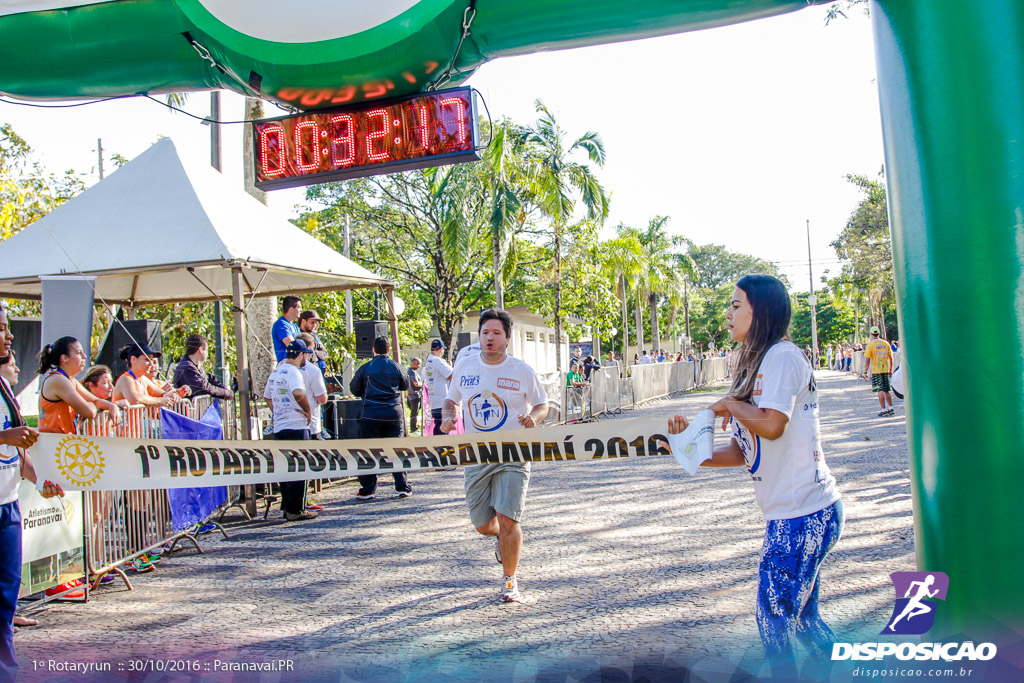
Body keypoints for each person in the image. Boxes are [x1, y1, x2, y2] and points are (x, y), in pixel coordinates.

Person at [664, 274, 843, 675]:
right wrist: (690, 451)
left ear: (759, 311)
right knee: (803, 622)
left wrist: (729, 404)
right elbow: (746, 451)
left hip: (804, 513)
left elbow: (773, 423)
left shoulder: (781, 357)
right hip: (791, 513)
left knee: (773, 619)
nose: (728, 313)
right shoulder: (752, 362)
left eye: (736, 305)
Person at [440, 309, 548, 603]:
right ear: (480, 336)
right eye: (486, 332)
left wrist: (534, 418)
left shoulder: (521, 370)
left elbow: (542, 404)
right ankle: (500, 538)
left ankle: (510, 581)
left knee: (509, 519)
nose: (490, 337)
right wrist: (448, 417)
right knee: (484, 524)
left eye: (496, 333)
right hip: (477, 455)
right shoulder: (465, 366)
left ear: (507, 339)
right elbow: (452, 400)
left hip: (514, 452)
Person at [1, 304, 64, 682]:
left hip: (7, 504)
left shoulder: (4, 384)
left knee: (7, 591)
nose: (9, 336)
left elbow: (18, 448)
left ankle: (6, 664)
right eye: (3, 329)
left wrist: (39, 480)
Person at [349, 336, 412, 500]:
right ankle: (402, 486)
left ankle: (368, 489)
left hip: (370, 412)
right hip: (392, 412)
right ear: (389, 350)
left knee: (368, 451)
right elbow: (405, 385)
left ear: (373, 350)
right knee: (396, 450)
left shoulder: (365, 367)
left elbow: (354, 388)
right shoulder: (397, 366)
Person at [263, 339, 316, 521]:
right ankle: (296, 509)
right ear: (300, 354)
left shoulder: (276, 371)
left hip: (280, 426)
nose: (306, 360)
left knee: (286, 466)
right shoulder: (294, 372)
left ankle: (286, 505)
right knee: (300, 466)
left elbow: (267, 397)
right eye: (306, 356)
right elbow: (298, 393)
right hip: (296, 425)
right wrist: (307, 411)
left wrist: (278, 411)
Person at [38, 337, 124, 433]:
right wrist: (91, 404)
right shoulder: (58, 380)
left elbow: (96, 400)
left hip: (62, 441)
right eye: (79, 353)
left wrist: (112, 406)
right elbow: (89, 412)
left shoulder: (71, 380)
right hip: (53, 442)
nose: (85, 356)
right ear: (64, 358)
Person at [112, 344, 178, 407]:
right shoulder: (126, 379)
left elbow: (162, 393)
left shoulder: (143, 379)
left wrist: (174, 393)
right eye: (147, 359)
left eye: (152, 360)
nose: (151, 364)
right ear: (133, 359)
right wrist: (160, 401)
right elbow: (135, 399)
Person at [172, 334, 233, 400]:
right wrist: (225, 393)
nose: (207, 354)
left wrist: (225, 390)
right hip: (189, 409)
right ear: (200, 349)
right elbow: (203, 387)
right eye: (207, 350)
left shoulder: (197, 367)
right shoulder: (186, 367)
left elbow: (210, 380)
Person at [295, 333, 328, 439]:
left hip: (285, 424)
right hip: (310, 425)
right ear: (308, 349)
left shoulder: (281, 367)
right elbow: (322, 399)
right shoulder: (313, 370)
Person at [423, 339, 453, 436]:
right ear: (441, 349)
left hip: (434, 401)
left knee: (438, 426)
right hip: (442, 402)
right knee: (443, 429)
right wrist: (451, 367)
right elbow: (453, 376)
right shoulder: (438, 361)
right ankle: (440, 449)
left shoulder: (429, 360)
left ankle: (438, 448)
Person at [863, 326, 894, 417]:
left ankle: (883, 409)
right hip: (885, 369)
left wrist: (865, 372)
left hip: (876, 370)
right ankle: (891, 408)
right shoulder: (886, 343)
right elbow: (890, 357)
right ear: (879, 333)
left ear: (872, 334)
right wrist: (890, 369)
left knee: (880, 390)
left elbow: (868, 360)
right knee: (886, 389)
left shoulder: (871, 345)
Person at [272, 295, 302, 363]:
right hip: (286, 365)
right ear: (291, 309)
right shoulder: (281, 324)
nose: (301, 310)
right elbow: (292, 345)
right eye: (299, 307)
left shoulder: (295, 326)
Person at [298, 310, 329, 374]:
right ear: (303, 321)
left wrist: (314, 352)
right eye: (312, 322)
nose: (314, 325)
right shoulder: (298, 336)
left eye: (316, 323)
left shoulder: (314, 336)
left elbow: (325, 353)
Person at [406, 357, 423, 434]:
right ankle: (413, 428)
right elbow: (415, 383)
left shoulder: (411, 372)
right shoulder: (411, 372)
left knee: (415, 412)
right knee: (414, 412)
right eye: (418, 364)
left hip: (412, 395)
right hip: (414, 395)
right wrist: (424, 384)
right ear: (413, 363)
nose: (419, 366)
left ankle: (414, 426)